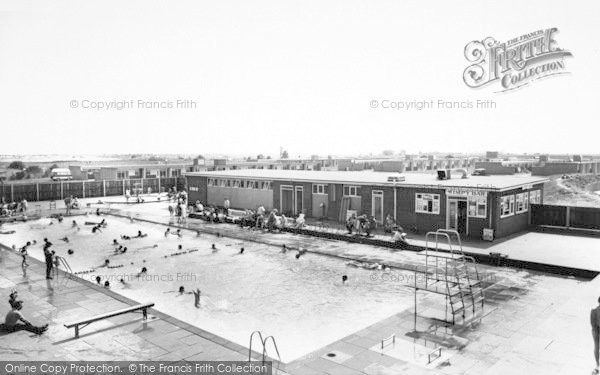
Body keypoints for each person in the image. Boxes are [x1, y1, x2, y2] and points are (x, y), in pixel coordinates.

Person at [592, 298, 600, 373]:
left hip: (596, 330)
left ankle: (597, 365)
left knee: (596, 348)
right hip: (597, 331)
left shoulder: (594, 310)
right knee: (596, 348)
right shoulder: (594, 310)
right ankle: (597, 365)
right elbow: (593, 324)